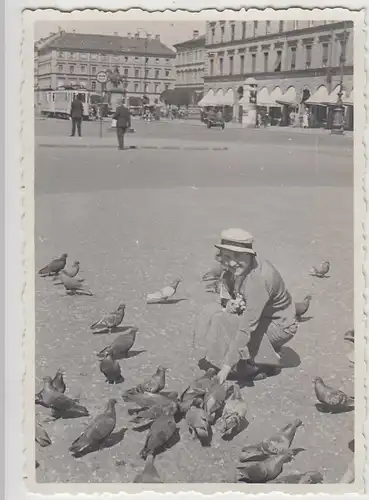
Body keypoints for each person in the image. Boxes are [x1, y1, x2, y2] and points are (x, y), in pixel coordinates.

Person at [194, 228, 298, 382]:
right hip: (264, 315)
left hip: (281, 325)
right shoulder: (238, 268)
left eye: (239, 256)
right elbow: (228, 291)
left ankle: (263, 363)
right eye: (227, 257)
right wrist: (230, 302)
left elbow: (246, 327)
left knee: (232, 324)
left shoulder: (258, 280)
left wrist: (226, 368)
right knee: (213, 311)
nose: (233, 262)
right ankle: (262, 351)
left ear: (250, 255)